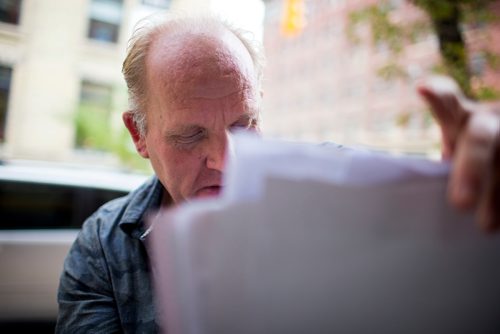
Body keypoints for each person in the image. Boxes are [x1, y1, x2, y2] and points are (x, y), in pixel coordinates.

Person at [55, 15, 500, 333]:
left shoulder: (336, 190)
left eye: (243, 125)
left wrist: (463, 200)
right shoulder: (104, 246)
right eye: (191, 136)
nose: (227, 161)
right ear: (140, 134)